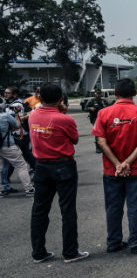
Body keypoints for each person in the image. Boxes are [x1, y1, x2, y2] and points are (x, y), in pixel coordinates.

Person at [92, 78, 137, 254]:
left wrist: (117, 164)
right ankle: (135, 242)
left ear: (115, 93)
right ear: (135, 93)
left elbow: (101, 142)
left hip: (111, 169)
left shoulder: (103, 113)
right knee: (135, 206)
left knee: (113, 206)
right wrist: (128, 163)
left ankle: (113, 242)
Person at [29, 83, 88, 263]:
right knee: (67, 209)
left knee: (39, 210)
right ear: (61, 98)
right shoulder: (64, 119)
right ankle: (70, 252)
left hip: (41, 166)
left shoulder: (33, 116)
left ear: (39, 97)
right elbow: (75, 139)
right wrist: (61, 113)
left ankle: (38, 252)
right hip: (63, 165)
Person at [0, 100, 34, 197]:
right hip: (8, 145)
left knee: (1, 167)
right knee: (21, 165)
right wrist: (16, 113)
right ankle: (29, 189)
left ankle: (1, 190)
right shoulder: (5, 116)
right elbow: (17, 125)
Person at [86, 88, 110, 153]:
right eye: (97, 93)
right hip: (95, 119)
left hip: (104, 119)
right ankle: (98, 147)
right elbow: (85, 108)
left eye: (100, 93)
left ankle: (105, 146)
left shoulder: (103, 101)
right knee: (98, 133)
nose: (99, 94)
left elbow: (109, 108)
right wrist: (90, 108)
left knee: (106, 133)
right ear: (95, 93)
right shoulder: (92, 101)